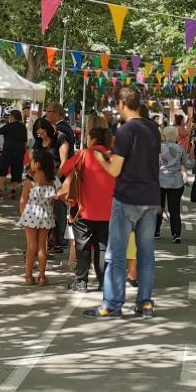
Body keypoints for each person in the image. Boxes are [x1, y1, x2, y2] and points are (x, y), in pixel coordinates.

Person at [85, 87, 161, 320]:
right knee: (146, 253)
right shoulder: (153, 129)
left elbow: (115, 169)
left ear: (121, 104)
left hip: (127, 197)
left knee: (116, 254)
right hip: (150, 197)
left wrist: (101, 158)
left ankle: (111, 304)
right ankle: (145, 302)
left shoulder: (126, 130)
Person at [59, 127, 117, 292]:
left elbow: (64, 169)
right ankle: (103, 282)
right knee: (103, 246)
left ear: (92, 139)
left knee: (82, 246)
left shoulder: (84, 154)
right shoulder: (113, 158)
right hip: (108, 211)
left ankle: (81, 281)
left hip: (84, 210)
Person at [19, 150, 58, 286]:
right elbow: (53, 200)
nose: (31, 163)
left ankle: (29, 276)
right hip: (46, 214)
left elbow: (23, 201)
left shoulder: (30, 181)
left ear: (38, 163)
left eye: (33, 161)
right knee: (42, 246)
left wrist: (23, 213)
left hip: (31, 214)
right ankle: (42, 276)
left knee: (31, 247)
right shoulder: (51, 181)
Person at [43, 103, 76, 252]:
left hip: (60, 174)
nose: (46, 114)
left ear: (57, 113)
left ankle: (57, 241)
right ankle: (57, 240)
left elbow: (63, 159)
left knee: (57, 208)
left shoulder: (61, 130)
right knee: (57, 207)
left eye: (48, 111)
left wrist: (56, 178)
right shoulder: (65, 127)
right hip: (61, 174)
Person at [157, 125, 187, 242]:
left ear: (164, 135)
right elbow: (188, 164)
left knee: (159, 207)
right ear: (176, 136)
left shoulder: (159, 148)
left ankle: (156, 231)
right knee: (174, 209)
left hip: (161, 180)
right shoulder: (181, 149)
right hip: (176, 182)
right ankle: (176, 234)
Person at [0, 109, 27, 200]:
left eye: (10, 116)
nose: (9, 118)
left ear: (13, 117)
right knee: (16, 171)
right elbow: (25, 142)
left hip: (8, 150)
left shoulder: (9, 125)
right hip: (19, 152)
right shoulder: (23, 127)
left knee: (2, 169)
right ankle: (13, 192)